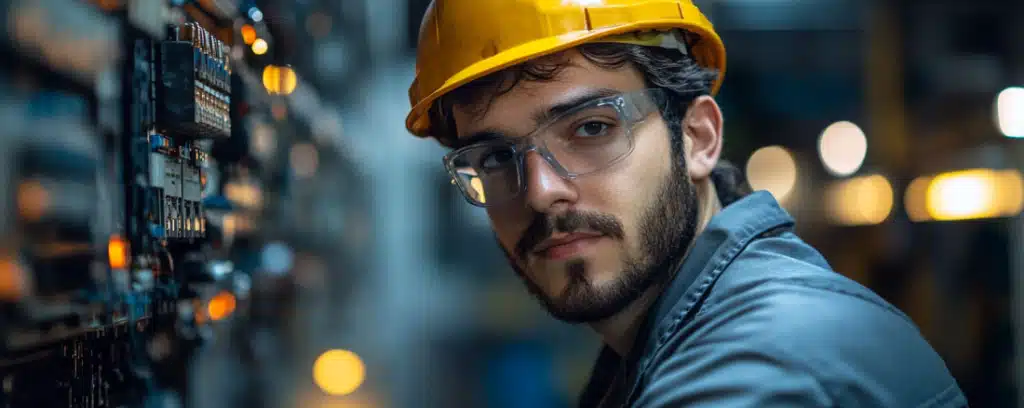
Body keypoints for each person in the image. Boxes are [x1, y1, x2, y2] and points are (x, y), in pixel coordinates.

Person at [404, 1, 968, 406]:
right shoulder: (674, 346)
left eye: (592, 128)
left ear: (697, 138)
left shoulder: (769, 362)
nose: (540, 190)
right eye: (497, 159)